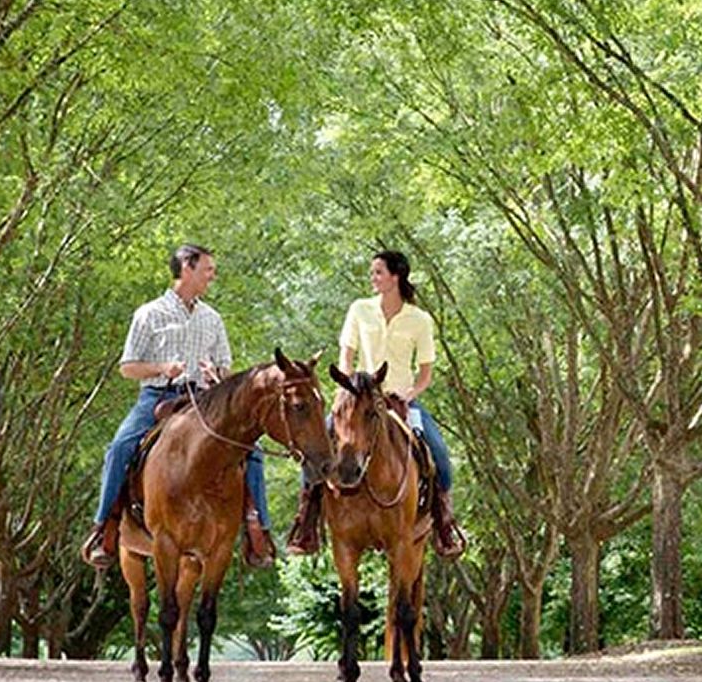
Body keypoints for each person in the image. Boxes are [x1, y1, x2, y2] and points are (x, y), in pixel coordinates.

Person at [79, 244, 279, 570]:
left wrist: (217, 375)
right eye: (207, 270)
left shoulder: (212, 318)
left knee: (252, 451)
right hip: (158, 398)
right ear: (187, 268)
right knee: (119, 447)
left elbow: (225, 368)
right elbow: (128, 367)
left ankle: (258, 531)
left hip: (205, 400)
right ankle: (105, 528)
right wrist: (161, 368)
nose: (212, 276)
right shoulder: (149, 314)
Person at [288, 249, 465, 558]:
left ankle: (444, 523)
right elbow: (347, 355)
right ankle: (306, 520)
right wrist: (344, 388)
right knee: (317, 446)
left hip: (399, 400)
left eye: (378, 272)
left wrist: (410, 394)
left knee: (439, 453)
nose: (373, 277)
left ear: (396, 277)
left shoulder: (419, 319)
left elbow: (425, 374)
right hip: (357, 398)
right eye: (372, 272)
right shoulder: (359, 309)